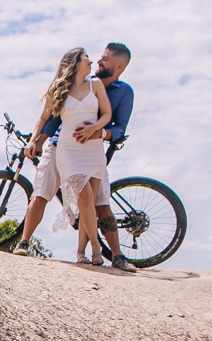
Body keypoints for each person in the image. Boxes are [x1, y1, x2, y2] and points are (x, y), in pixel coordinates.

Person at [13, 43, 135, 271]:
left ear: (118, 66)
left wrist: (100, 132)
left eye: (105, 59)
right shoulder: (71, 85)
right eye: (98, 57)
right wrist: (38, 140)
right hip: (62, 145)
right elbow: (54, 117)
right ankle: (24, 242)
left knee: (99, 201)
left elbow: (120, 127)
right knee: (41, 192)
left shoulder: (121, 91)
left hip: (92, 148)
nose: (98, 61)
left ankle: (116, 255)